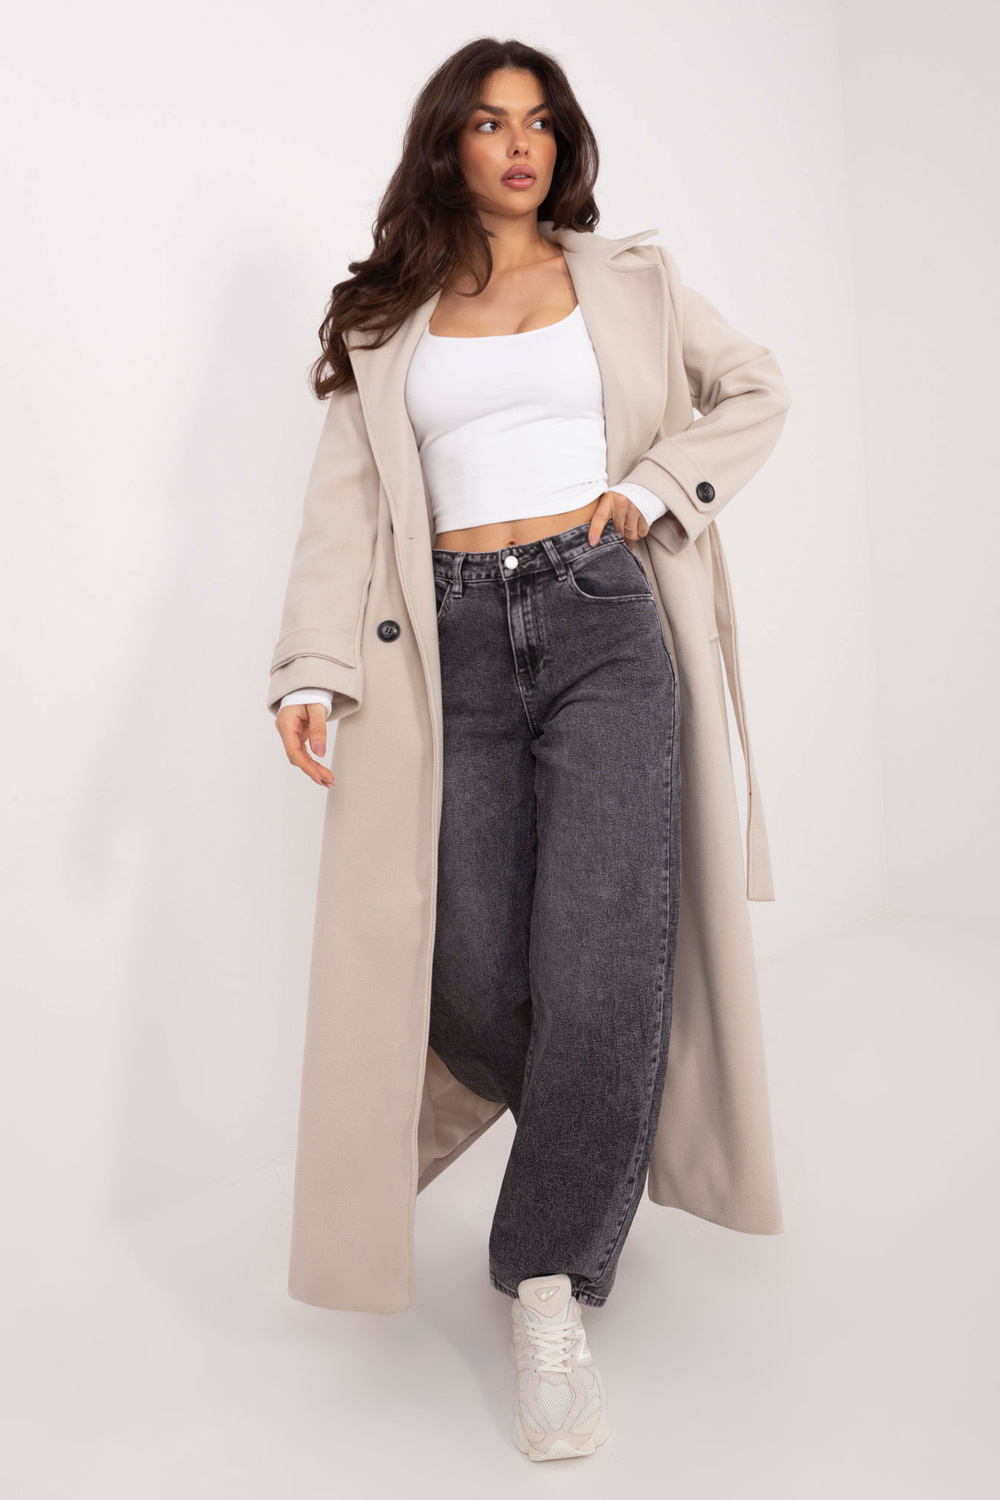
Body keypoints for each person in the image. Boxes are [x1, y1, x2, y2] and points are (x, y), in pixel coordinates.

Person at [269, 37, 791, 1464]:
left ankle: (546, 1280)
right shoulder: (387, 318)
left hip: (604, 620)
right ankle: (591, 1113)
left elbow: (756, 389)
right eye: (493, 123)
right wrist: (311, 664)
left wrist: (654, 488)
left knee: (604, 956)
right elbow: (344, 508)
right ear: (448, 142)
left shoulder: (627, 279)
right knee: (472, 966)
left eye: (542, 122)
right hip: (444, 650)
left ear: (563, 145)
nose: (521, 145)